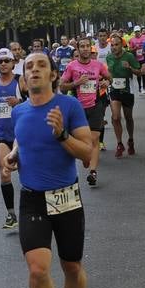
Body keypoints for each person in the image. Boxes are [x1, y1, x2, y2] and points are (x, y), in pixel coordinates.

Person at [0, 52, 95, 288]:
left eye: (42, 65)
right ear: (24, 78)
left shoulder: (69, 107)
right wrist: (15, 154)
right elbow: (21, 139)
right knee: (38, 270)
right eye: (29, 67)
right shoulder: (20, 112)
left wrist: (62, 135)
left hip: (66, 196)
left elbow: (86, 153)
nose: (35, 70)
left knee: (71, 266)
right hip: (32, 198)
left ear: (54, 75)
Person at [59, 37, 110, 187]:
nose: (85, 49)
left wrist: (106, 82)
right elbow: (62, 87)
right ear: (78, 49)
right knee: (82, 140)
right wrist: (76, 83)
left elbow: (109, 78)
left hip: (96, 105)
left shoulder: (98, 65)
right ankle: (85, 156)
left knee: (94, 139)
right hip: (77, 108)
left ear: (91, 48)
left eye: (88, 46)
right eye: (82, 46)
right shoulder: (72, 66)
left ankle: (93, 172)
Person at [0, 47, 25, 230]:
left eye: (6, 61)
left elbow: (34, 101)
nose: (3, 64)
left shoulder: (20, 81)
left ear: (13, 63)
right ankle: (11, 214)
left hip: (21, 133)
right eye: (0, 62)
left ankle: (32, 210)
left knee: (26, 174)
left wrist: (20, 102)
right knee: (4, 173)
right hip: (1, 134)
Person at [103, 33, 144, 158]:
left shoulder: (129, 56)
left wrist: (130, 68)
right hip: (114, 89)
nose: (114, 47)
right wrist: (105, 79)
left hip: (127, 90)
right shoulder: (109, 58)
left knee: (128, 117)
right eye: (112, 45)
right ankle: (119, 143)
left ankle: (130, 140)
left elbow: (139, 73)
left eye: (116, 44)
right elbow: (107, 72)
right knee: (115, 117)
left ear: (122, 45)